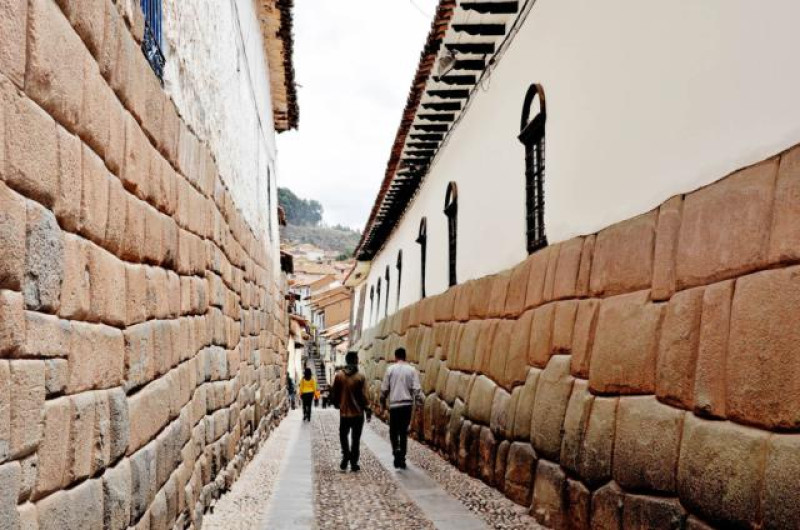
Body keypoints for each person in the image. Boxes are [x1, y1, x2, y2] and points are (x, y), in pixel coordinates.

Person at [380, 347, 422, 469]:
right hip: (407, 406)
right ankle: (402, 457)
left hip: (394, 406)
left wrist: (382, 401)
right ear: (405, 356)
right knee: (403, 432)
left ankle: (396, 450)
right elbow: (417, 389)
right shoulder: (412, 370)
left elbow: (384, 388)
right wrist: (418, 404)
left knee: (393, 431)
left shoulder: (390, 370)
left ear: (395, 357)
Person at [330, 351, 372, 472]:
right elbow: (364, 396)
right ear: (355, 361)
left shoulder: (339, 376)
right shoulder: (360, 377)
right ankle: (354, 462)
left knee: (343, 436)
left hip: (344, 413)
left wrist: (337, 403)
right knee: (356, 438)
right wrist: (368, 409)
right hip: (358, 414)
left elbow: (335, 393)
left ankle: (346, 455)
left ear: (347, 361)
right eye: (357, 359)